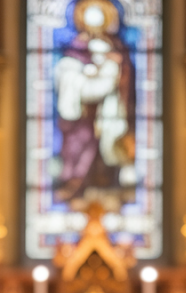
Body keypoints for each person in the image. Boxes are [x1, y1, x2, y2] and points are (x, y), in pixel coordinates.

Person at [53, 0, 137, 203]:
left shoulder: (116, 48)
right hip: (81, 117)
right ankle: (74, 184)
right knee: (79, 148)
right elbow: (66, 76)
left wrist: (115, 68)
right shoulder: (75, 48)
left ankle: (109, 185)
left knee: (107, 152)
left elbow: (126, 78)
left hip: (108, 113)